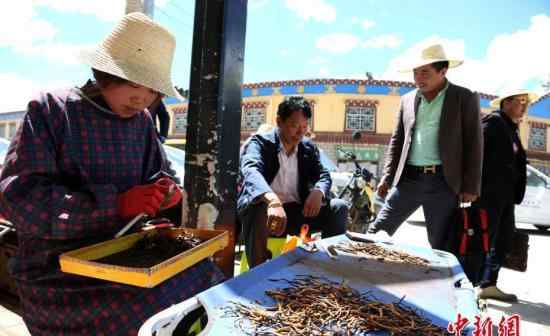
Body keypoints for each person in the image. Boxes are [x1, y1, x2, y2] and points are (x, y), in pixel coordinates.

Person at [0, 13, 223, 335]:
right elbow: (19, 200)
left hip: (124, 253)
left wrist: (167, 192)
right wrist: (116, 205)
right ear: (106, 72)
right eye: (134, 83)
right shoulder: (52, 109)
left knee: (206, 277)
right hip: (57, 270)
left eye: (153, 90)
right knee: (150, 307)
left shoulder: (143, 122)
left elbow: (161, 175)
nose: (142, 98)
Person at [368, 44, 483, 251]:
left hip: (444, 184)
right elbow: (397, 141)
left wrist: (471, 186)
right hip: (408, 181)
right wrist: (387, 177)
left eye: (425, 72)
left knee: (441, 245)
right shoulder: (408, 99)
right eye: (415, 72)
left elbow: (474, 143)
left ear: (443, 71)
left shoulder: (463, 97)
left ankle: (442, 282)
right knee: (377, 231)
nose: (418, 78)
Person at [237, 96, 348, 267]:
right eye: (295, 126)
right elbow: (251, 170)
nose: (300, 132)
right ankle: (257, 273)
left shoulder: (308, 148)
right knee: (259, 208)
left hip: (296, 212)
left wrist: (318, 191)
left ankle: (329, 267)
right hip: (266, 213)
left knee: (338, 207)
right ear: (279, 121)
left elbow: (323, 174)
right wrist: (272, 201)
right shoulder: (259, 143)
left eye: (304, 127)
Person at [475, 90, 537, 302]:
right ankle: (468, 284)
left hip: (505, 197)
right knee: (482, 240)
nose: (525, 107)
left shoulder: (511, 127)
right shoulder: (493, 122)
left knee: (503, 239)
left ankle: (488, 284)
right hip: (488, 195)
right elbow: (476, 153)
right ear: (507, 102)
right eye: (522, 102)